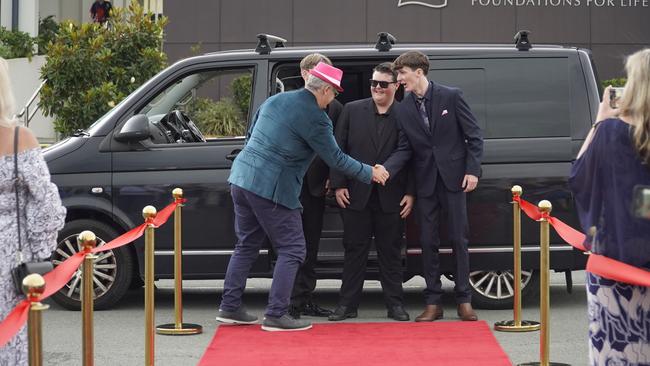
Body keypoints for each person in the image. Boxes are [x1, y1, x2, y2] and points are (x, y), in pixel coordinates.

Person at [216, 62, 390, 332]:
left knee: (247, 244)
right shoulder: (317, 117)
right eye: (334, 94)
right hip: (271, 188)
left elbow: (251, 135)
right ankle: (276, 314)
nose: (333, 99)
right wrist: (371, 172)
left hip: (241, 178)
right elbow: (336, 158)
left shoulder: (275, 100)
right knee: (294, 249)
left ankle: (230, 306)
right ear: (325, 90)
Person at [383, 51, 483, 322]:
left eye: (402, 73)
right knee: (428, 242)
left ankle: (464, 300)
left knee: (459, 240)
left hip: (454, 181)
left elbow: (474, 136)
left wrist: (472, 171)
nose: (399, 79)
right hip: (425, 184)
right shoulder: (402, 109)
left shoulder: (451, 96)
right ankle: (433, 303)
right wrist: (387, 168)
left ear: (419, 72)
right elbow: (405, 149)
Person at [569, 48, 650, 364]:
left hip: (615, 267)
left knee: (615, 355)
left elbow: (579, 177)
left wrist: (600, 120)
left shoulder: (610, 132)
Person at [328, 63, 414, 322]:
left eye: (383, 84)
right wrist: (339, 184)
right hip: (355, 193)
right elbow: (337, 148)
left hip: (393, 196)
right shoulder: (352, 110)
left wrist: (411, 193)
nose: (377, 87)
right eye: (374, 83)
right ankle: (347, 305)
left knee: (390, 252)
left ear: (395, 87)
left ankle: (395, 305)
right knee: (354, 250)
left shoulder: (406, 114)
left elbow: (412, 155)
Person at [0, 58, 66, 364]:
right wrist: (41, 251)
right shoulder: (17, 138)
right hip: (11, 253)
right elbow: (45, 202)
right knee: (11, 335)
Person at [289, 53, 343, 319]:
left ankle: (303, 299)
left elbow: (339, 148)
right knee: (288, 246)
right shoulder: (290, 103)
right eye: (318, 72)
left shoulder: (337, 108)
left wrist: (334, 177)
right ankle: (287, 300)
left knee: (310, 246)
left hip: (316, 188)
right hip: (288, 187)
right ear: (304, 74)